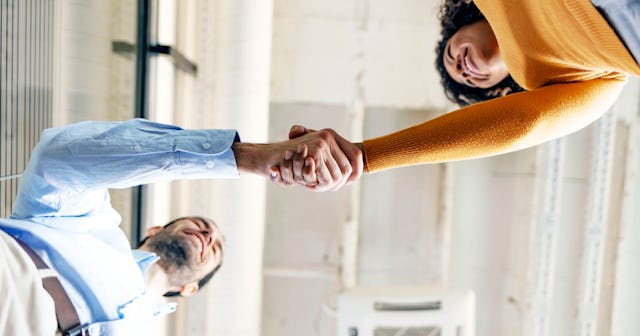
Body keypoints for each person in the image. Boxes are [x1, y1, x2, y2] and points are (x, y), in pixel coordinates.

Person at [0, 118, 349, 335]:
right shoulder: (91, 224)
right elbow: (56, 158)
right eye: (200, 225)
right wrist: (247, 157)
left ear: (190, 289)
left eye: (215, 248)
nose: (208, 235)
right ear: (154, 230)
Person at [274, 0, 640, 190]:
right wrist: (365, 157)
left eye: (452, 55)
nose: (462, 68)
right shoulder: (564, 84)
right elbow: (525, 123)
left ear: (461, 21)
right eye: (469, 81)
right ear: (501, 88)